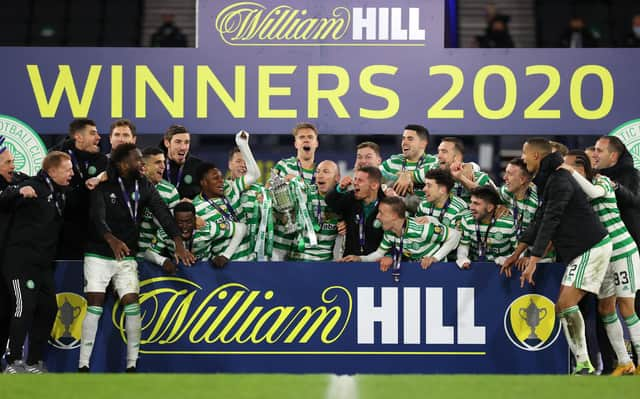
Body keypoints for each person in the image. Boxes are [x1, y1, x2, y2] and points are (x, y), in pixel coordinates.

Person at [78, 144, 195, 372]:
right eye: (137, 159)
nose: (142, 163)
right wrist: (111, 240)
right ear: (122, 164)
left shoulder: (145, 186)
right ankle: (83, 364)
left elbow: (163, 213)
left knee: (132, 303)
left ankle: (132, 365)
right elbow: (97, 218)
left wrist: (178, 243)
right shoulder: (103, 185)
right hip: (99, 254)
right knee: (95, 305)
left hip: (127, 256)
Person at [501, 138, 612, 375]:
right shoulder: (550, 180)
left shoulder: (560, 180)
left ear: (536, 156)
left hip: (592, 248)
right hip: (582, 250)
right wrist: (517, 253)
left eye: (524, 153)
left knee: (566, 304)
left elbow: (552, 220)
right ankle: (584, 365)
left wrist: (533, 260)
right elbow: (540, 219)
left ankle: (585, 365)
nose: (522, 157)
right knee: (565, 307)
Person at [562, 150, 640, 375]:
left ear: (581, 168)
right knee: (605, 309)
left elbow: (595, 194)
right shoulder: (577, 191)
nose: (567, 171)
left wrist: (571, 173)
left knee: (627, 308)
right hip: (603, 256)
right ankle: (624, 362)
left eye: (570, 167)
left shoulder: (601, 181)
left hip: (623, 250)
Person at [1, 151, 74, 373]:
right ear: (52, 171)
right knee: (24, 307)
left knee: (49, 309)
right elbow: (5, 197)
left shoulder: (61, 192)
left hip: (43, 265)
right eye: (67, 170)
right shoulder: (32, 185)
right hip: (20, 262)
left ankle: (33, 361)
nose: (72, 173)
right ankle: (13, 361)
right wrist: (17, 192)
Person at [340, 197, 460, 272]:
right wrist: (359, 258)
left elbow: (455, 235)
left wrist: (435, 258)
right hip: (420, 272)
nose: (377, 217)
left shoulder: (420, 229)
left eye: (381, 213)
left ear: (394, 216)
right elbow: (378, 254)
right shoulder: (389, 233)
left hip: (439, 272)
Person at [193, 132, 259, 259]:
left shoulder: (229, 188)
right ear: (204, 183)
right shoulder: (197, 208)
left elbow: (254, 174)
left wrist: (243, 145)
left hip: (251, 262)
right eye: (215, 179)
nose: (221, 181)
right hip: (223, 267)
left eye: (220, 177)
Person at [50, 118, 108, 259]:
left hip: (94, 233)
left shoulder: (102, 160)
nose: (98, 137)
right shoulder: (56, 157)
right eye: (93, 133)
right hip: (62, 232)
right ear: (79, 137)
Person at [144, 202, 247, 271]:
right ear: (173, 222)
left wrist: (226, 255)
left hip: (207, 274)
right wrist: (163, 262)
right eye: (180, 222)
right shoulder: (164, 233)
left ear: (195, 219)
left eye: (188, 222)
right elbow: (148, 253)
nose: (184, 226)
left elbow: (242, 228)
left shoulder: (207, 229)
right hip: (179, 277)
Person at [0, 138, 30, 366]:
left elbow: (41, 179)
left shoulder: (16, 180)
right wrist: (18, 191)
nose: (13, 165)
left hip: (9, 261)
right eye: (8, 162)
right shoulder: (11, 189)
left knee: (7, 310)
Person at [270, 123, 319, 259]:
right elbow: (269, 193)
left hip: (308, 241)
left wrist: (300, 183)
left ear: (316, 143)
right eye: (301, 137)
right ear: (296, 144)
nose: (306, 140)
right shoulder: (284, 165)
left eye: (310, 137)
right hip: (282, 235)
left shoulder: (321, 172)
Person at [326, 166, 386, 257]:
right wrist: (340, 188)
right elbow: (330, 202)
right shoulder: (350, 200)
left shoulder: (387, 206)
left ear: (374, 185)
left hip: (377, 263)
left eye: (360, 180)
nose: (355, 183)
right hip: (351, 262)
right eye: (355, 179)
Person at [289, 160, 342, 261]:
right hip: (299, 261)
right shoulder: (304, 193)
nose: (320, 175)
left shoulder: (342, 200)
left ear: (337, 178)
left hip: (326, 263)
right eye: (317, 171)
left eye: (326, 172)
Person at [415, 137, 495, 203]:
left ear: (456, 157)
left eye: (444, 151)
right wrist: (405, 176)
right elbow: (410, 176)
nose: (438, 156)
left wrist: (461, 178)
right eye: (439, 151)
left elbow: (493, 199)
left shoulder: (477, 177)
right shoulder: (432, 171)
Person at [456, 186, 516, 268]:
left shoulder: (509, 224)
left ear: (490, 207)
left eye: (476, 203)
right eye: (471, 202)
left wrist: (507, 259)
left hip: (502, 268)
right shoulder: (467, 219)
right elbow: (464, 244)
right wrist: (462, 258)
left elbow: (520, 250)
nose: (471, 207)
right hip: (475, 268)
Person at [137, 147, 181, 254]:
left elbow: (174, 225)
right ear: (144, 166)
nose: (163, 166)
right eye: (158, 162)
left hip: (158, 255)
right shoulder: (132, 186)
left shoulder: (170, 191)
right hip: (131, 253)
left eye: (164, 162)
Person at [381, 124, 438, 197]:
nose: (404, 143)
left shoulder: (432, 161)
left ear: (423, 144)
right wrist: (400, 177)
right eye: (403, 138)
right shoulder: (393, 161)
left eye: (410, 139)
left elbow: (432, 174)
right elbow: (375, 174)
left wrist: (408, 176)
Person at [161, 125, 203, 199]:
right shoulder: (158, 165)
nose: (183, 147)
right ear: (167, 143)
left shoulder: (198, 166)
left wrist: (194, 204)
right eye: (178, 142)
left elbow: (207, 198)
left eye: (186, 142)